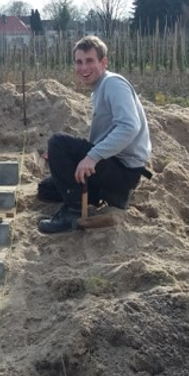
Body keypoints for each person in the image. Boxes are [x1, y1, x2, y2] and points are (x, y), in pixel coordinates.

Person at [38, 35, 153, 234]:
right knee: (47, 188)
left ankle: (72, 213)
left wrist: (92, 156)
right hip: (113, 166)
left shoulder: (113, 83)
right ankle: (104, 194)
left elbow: (129, 126)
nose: (83, 68)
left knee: (57, 142)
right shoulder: (99, 89)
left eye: (90, 61)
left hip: (124, 170)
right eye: (79, 62)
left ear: (103, 62)